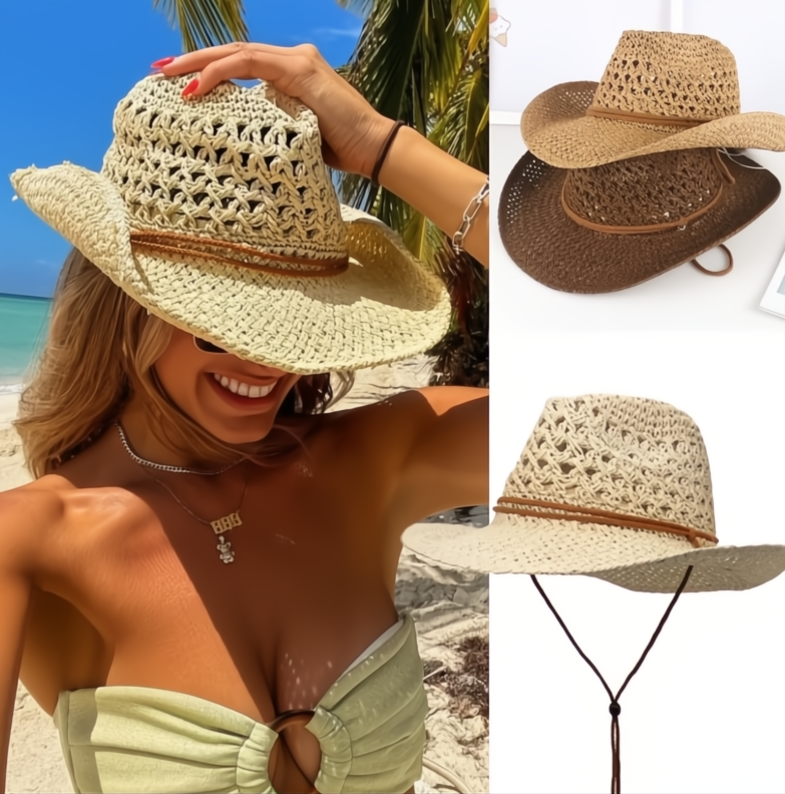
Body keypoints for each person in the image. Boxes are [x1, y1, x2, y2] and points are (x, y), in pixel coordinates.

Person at [0, 43, 488, 794]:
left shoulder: (373, 460)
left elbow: (647, 370)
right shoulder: (29, 545)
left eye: (292, 320)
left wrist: (382, 145)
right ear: (127, 307)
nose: (267, 362)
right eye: (220, 322)